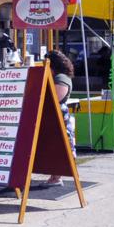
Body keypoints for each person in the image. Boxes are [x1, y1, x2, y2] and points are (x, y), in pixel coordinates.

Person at [44, 49, 77, 186]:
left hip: (59, 118)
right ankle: (54, 177)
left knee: (60, 146)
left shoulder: (61, 78)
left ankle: (57, 177)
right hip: (55, 117)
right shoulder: (58, 77)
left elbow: (55, 98)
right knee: (54, 146)